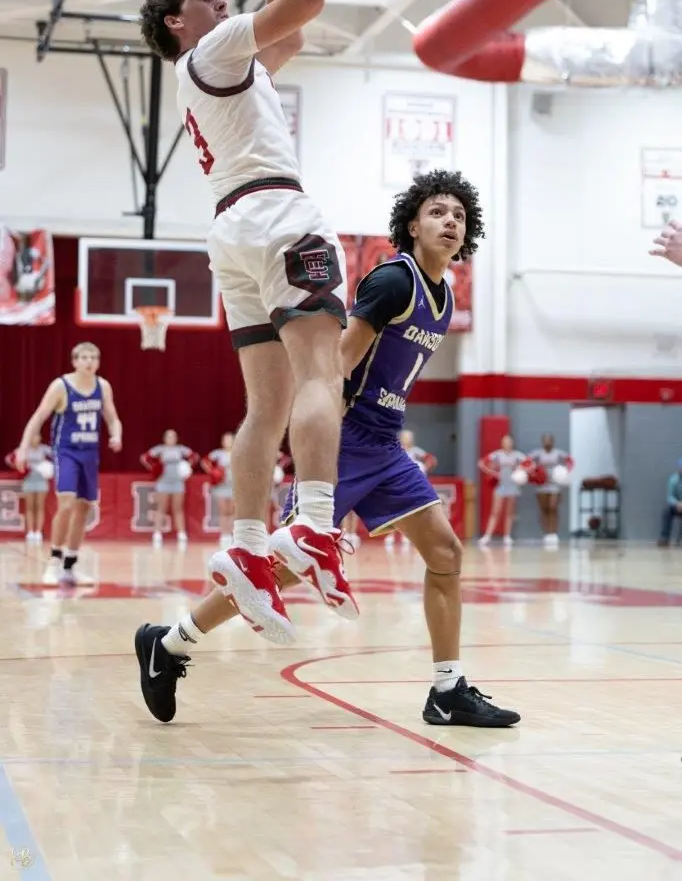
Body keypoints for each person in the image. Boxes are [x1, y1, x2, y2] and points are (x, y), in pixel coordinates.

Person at [134, 169, 520, 729]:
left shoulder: (443, 298)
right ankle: (169, 643)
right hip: (347, 439)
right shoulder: (395, 281)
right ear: (412, 225)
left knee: (446, 553)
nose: (450, 222)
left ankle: (447, 690)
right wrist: (318, 442)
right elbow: (335, 362)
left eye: (459, 216)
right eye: (437, 212)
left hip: (386, 443)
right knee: (282, 571)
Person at [139, 0, 354, 644]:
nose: (220, 0)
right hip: (278, 213)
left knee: (266, 406)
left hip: (231, 232)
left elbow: (289, 33)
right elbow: (308, 0)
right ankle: (315, 525)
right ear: (178, 22)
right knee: (322, 374)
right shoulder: (215, 47)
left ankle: (249, 546)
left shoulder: (218, 69)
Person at [15, 342, 122, 584]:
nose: (89, 361)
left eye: (93, 357)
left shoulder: (103, 386)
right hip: (66, 452)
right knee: (66, 502)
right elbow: (38, 417)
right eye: (84, 357)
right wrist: (23, 448)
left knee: (84, 507)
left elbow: (113, 418)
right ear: (74, 361)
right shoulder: (61, 385)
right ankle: (54, 561)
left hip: (90, 453)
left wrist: (116, 435)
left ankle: (70, 566)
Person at [141, 431, 194, 549]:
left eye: (173, 436)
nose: (171, 439)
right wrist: (154, 469)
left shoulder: (181, 449)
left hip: (178, 482)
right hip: (163, 482)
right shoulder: (160, 449)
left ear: (176, 438)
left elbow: (193, 456)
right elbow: (145, 458)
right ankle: (157, 533)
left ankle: (181, 534)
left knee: (178, 508)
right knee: (161, 508)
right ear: (164, 438)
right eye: (168, 436)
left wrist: (187, 467)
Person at [478, 435, 527, 548]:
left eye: (509, 441)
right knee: (495, 511)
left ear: (512, 443)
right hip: (500, 486)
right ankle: (487, 536)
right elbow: (481, 463)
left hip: (512, 486)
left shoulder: (517, 455)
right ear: (502, 443)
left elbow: (529, 464)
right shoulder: (497, 454)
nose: (507, 443)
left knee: (510, 512)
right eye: (505, 441)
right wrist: (493, 472)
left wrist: (521, 471)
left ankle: (507, 536)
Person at [527, 434, 573, 549]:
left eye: (549, 441)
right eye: (545, 441)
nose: (547, 443)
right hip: (542, 485)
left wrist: (566, 471)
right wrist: (532, 472)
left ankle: (554, 533)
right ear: (542, 442)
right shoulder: (537, 453)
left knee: (553, 508)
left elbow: (570, 460)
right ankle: (546, 533)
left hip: (555, 484)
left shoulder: (559, 453)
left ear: (553, 442)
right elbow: (526, 462)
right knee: (544, 509)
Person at [5, 436, 52, 545]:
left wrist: (48, 467)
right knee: (29, 506)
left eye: (37, 436)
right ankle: (30, 532)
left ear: (40, 438)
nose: (35, 438)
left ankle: (38, 532)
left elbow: (57, 456)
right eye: (33, 436)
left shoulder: (44, 449)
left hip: (41, 480)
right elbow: (8, 459)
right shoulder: (24, 450)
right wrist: (18, 465)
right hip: (28, 480)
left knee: (39, 506)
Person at [201, 432, 235, 545]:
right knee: (223, 510)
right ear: (222, 442)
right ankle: (224, 534)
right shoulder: (217, 453)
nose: (228, 442)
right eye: (225, 440)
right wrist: (212, 472)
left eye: (230, 440)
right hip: (221, 486)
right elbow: (204, 461)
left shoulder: (238, 453)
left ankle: (231, 533)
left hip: (233, 486)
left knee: (232, 511)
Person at [658, 458, 682, 547]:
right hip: (678, 507)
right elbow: (669, 496)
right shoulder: (673, 479)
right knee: (667, 511)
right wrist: (677, 503)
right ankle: (664, 538)